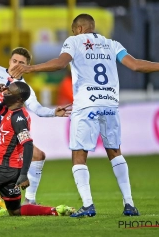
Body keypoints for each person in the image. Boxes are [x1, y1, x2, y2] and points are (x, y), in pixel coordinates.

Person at [9, 13, 159, 217]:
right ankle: (130, 204)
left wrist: (31, 68)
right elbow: (136, 66)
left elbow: (61, 63)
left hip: (87, 105)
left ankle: (88, 205)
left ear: (78, 29)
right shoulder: (112, 43)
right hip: (110, 104)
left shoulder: (74, 41)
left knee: (79, 155)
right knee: (115, 152)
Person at [0, 47, 70, 205]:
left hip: (5, 131)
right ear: (9, 61)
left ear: (27, 66)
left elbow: (37, 108)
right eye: (14, 61)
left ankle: (30, 200)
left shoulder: (24, 89)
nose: (17, 65)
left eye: (22, 63)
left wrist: (53, 112)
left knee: (38, 156)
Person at [0, 82, 75, 217]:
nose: (4, 93)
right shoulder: (11, 111)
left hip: (0, 168)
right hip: (11, 171)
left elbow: (27, 144)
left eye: (9, 92)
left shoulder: (18, 118)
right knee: (15, 211)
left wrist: (23, 175)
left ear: (19, 99)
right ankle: (55, 210)